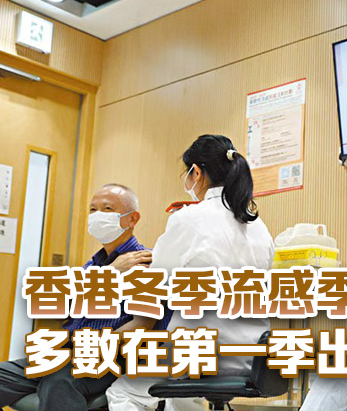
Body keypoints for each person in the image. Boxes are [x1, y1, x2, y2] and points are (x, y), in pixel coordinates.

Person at [106, 135, 275, 411]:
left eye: (187, 174)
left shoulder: (188, 218)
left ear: (196, 172)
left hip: (201, 352)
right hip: (253, 355)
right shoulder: (258, 226)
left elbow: (154, 286)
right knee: (180, 395)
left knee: (125, 392)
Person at [0, 183, 158, 411]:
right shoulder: (92, 266)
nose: (97, 216)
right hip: (65, 352)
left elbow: (142, 325)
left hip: (111, 356)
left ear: (132, 219)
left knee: (58, 381)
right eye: (93, 210)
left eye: (107, 209)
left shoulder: (145, 264)